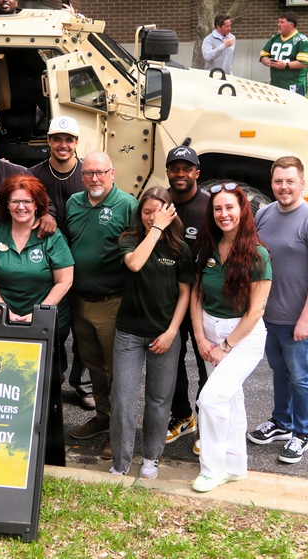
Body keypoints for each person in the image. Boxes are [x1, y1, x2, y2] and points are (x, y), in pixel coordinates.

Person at [0, 174, 74, 465]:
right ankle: (10, 446)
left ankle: (46, 452)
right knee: (8, 386)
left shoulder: (51, 236)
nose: (21, 207)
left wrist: (37, 314)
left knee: (46, 386)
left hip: (45, 322)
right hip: (4, 321)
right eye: (14, 201)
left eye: (26, 201)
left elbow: (64, 280)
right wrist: (4, 312)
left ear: (37, 204)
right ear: (6, 205)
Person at [246, 156, 308, 465]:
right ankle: (281, 423)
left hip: (296, 320)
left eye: (289, 181)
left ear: (301, 182)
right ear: (272, 183)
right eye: (278, 181)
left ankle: (301, 434)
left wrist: (306, 319)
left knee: (300, 376)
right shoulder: (266, 214)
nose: (283, 187)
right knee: (278, 370)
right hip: (266, 317)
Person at [190, 183, 272, 493]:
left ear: (242, 212)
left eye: (229, 208)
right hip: (209, 332)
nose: (224, 214)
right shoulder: (208, 247)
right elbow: (197, 294)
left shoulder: (258, 255)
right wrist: (200, 337)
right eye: (218, 208)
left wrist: (225, 346)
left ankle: (212, 469)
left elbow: (255, 312)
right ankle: (236, 465)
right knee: (230, 399)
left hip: (243, 337)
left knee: (210, 400)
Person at [109, 187, 194, 479]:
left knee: (158, 400)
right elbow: (135, 263)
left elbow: (185, 294)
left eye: (158, 211)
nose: (151, 217)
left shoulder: (180, 249)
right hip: (129, 334)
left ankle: (151, 457)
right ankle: (120, 463)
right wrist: (156, 228)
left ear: (171, 212)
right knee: (122, 398)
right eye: (147, 212)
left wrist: (172, 332)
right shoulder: (130, 240)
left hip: (164, 336)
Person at [65, 151, 138, 461]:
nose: (94, 178)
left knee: (115, 372)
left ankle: (119, 433)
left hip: (111, 302)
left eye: (100, 173)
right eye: (88, 173)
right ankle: (102, 418)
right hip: (79, 302)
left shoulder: (128, 205)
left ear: (112, 173)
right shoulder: (73, 203)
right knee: (94, 368)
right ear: (82, 176)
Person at [29, 115, 93, 410]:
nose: (63, 144)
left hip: (83, 261)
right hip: (45, 263)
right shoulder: (33, 175)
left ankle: (82, 383)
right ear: (49, 142)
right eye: (57, 138)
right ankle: (52, 379)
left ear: (77, 143)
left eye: (69, 139)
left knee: (85, 328)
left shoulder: (88, 174)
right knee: (53, 325)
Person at [164, 146, 210, 456]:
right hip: (169, 298)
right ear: (167, 171)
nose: (180, 173)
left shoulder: (208, 206)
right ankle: (183, 416)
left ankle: (208, 424)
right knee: (171, 361)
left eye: (187, 168)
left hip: (204, 299)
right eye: (174, 168)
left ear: (196, 173)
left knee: (206, 362)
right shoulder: (160, 202)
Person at [259, 11, 308, 95]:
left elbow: (304, 63)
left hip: (294, 85)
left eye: (282, 22)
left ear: (291, 25)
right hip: (275, 84)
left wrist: (285, 65)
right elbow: (263, 55)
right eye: (278, 22)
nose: (278, 25)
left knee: (294, 108)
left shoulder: (301, 40)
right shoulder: (275, 38)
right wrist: (267, 61)